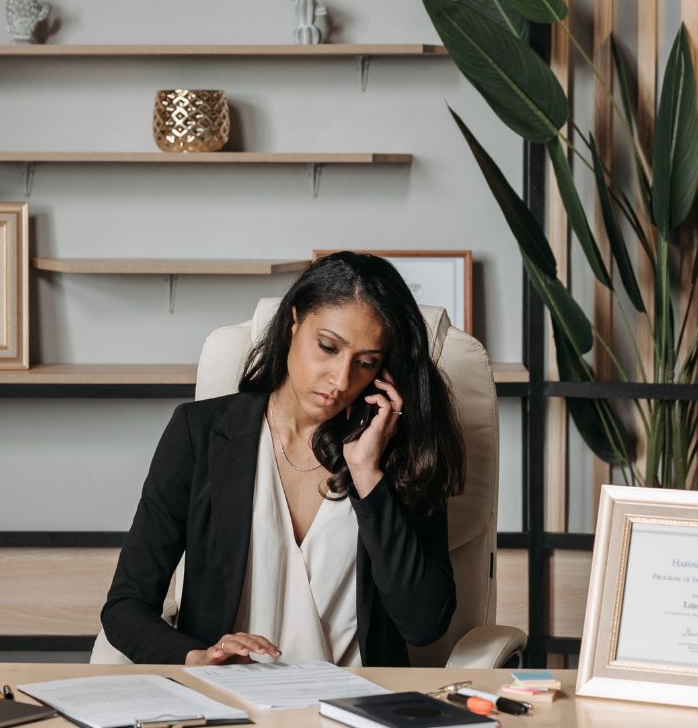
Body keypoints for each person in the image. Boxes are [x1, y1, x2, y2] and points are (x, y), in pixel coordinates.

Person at [100, 252, 465, 667]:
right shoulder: (199, 433)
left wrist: (368, 475)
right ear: (294, 324)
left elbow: (424, 625)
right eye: (327, 347)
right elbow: (125, 607)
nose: (341, 380)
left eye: (365, 363)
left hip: (359, 708)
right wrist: (195, 657)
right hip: (231, 703)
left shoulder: (396, 453)